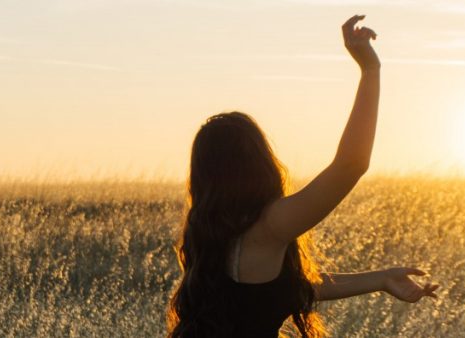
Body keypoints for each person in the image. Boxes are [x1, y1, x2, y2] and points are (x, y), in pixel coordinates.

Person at [166, 15, 440, 338]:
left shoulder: (210, 234)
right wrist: (370, 70)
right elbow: (351, 164)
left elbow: (286, 289)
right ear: (259, 162)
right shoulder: (270, 225)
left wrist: (381, 279)